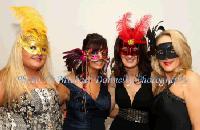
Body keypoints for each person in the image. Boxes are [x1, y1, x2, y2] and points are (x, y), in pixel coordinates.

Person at [0, 6, 62, 130]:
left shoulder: (48, 78)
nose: (39, 53)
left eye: (43, 49)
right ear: (20, 49)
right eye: (33, 47)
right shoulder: (6, 78)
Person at [109, 12, 154, 130]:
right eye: (125, 50)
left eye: (134, 51)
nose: (129, 56)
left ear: (141, 53)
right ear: (119, 53)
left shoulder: (153, 76)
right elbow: (109, 110)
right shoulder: (114, 77)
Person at [57, 33, 111, 130]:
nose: (100, 57)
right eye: (94, 53)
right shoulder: (69, 82)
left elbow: (110, 110)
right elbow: (53, 108)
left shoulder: (105, 82)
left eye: (103, 53)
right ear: (84, 54)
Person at [151, 29, 200, 130]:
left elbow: (198, 125)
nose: (166, 57)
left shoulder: (190, 79)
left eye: (172, 51)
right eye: (161, 52)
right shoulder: (159, 81)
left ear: (181, 51)